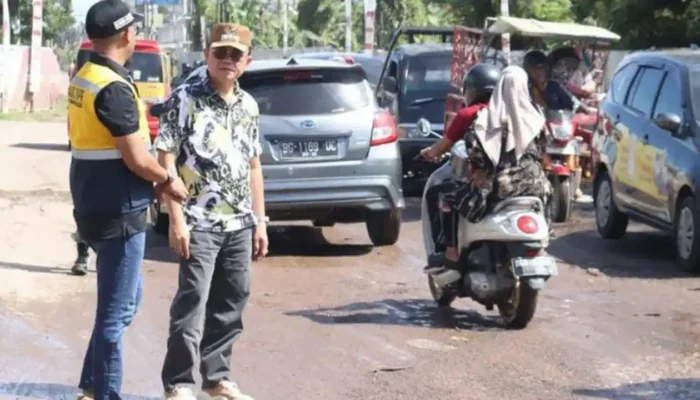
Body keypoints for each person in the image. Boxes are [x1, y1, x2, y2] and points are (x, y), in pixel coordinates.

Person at [68, 1, 188, 399]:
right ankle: (105, 393)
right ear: (125, 35)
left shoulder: (85, 76)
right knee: (115, 316)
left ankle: (90, 384)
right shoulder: (114, 88)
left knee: (125, 301)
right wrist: (168, 179)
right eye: (133, 28)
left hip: (92, 204)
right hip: (119, 210)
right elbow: (137, 158)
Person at [155, 22, 268, 400]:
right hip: (198, 221)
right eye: (220, 52)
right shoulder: (184, 98)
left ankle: (217, 377)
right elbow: (165, 160)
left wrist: (260, 221)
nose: (227, 60)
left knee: (232, 301)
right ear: (207, 56)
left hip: (238, 223)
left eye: (235, 54)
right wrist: (175, 220)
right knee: (192, 302)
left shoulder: (249, 106)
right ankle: (179, 384)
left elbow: (254, 166)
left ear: (246, 62)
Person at [437, 65, 552, 266]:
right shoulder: (537, 120)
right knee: (545, 198)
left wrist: (481, 171)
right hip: (538, 186)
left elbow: (477, 155)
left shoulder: (487, 120)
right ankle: (544, 241)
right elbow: (543, 155)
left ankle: (451, 251)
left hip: (500, 188)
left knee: (448, 194)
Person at [419, 63, 502, 267]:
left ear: (471, 90)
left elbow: (443, 145)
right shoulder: (513, 115)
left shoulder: (469, 114)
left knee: (440, 193)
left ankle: (450, 251)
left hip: (486, 184)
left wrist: (429, 153)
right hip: (520, 183)